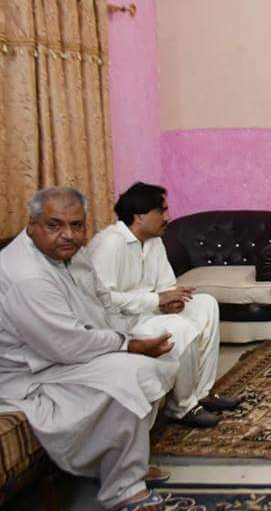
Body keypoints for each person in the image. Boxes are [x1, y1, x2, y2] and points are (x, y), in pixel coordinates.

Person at [0, 187, 178, 511]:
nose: (67, 235)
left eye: (77, 225)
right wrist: (129, 345)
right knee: (130, 376)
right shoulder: (26, 275)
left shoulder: (73, 252)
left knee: (154, 366)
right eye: (54, 225)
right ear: (32, 224)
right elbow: (66, 344)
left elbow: (104, 302)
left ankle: (123, 466)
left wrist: (127, 334)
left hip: (74, 351)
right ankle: (122, 489)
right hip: (34, 369)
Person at [87, 182, 240, 429]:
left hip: (150, 313)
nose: (168, 217)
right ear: (139, 216)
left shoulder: (154, 240)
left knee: (206, 304)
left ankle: (202, 393)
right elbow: (103, 300)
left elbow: (166, 286)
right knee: (179, 328)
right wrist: (158, 301)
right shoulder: (110, 243)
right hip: (122, 324)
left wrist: (173, 302)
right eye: (162, 211)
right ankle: (182, 408)